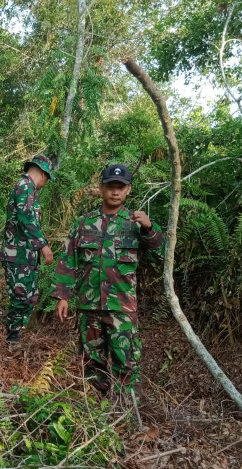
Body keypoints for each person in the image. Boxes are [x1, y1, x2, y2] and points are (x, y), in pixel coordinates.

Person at [51, 163, 164, 399]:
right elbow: (68, 260)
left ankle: (129, 414)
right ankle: (96, 413)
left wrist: (149, 227)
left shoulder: (135, 223)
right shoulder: (83, 224)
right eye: (110, 187)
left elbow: (159, 251)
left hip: (121, 308)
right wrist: (62, 296)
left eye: (120, 188)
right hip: (88, 306)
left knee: (127, 363)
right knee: (92, 363)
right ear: (101, 188)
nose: (115, 192)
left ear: (128, 190)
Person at [0, 154, 55, 342]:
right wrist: (44, 246)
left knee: (31, 296)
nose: (45, 183)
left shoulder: (30, 190)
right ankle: (12, 338)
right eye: (47, 178)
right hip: (17, 256)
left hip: (27, 256)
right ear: (41, 172)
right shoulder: (24, 187)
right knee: (20, 297)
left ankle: (19, 334)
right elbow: (26, 220)